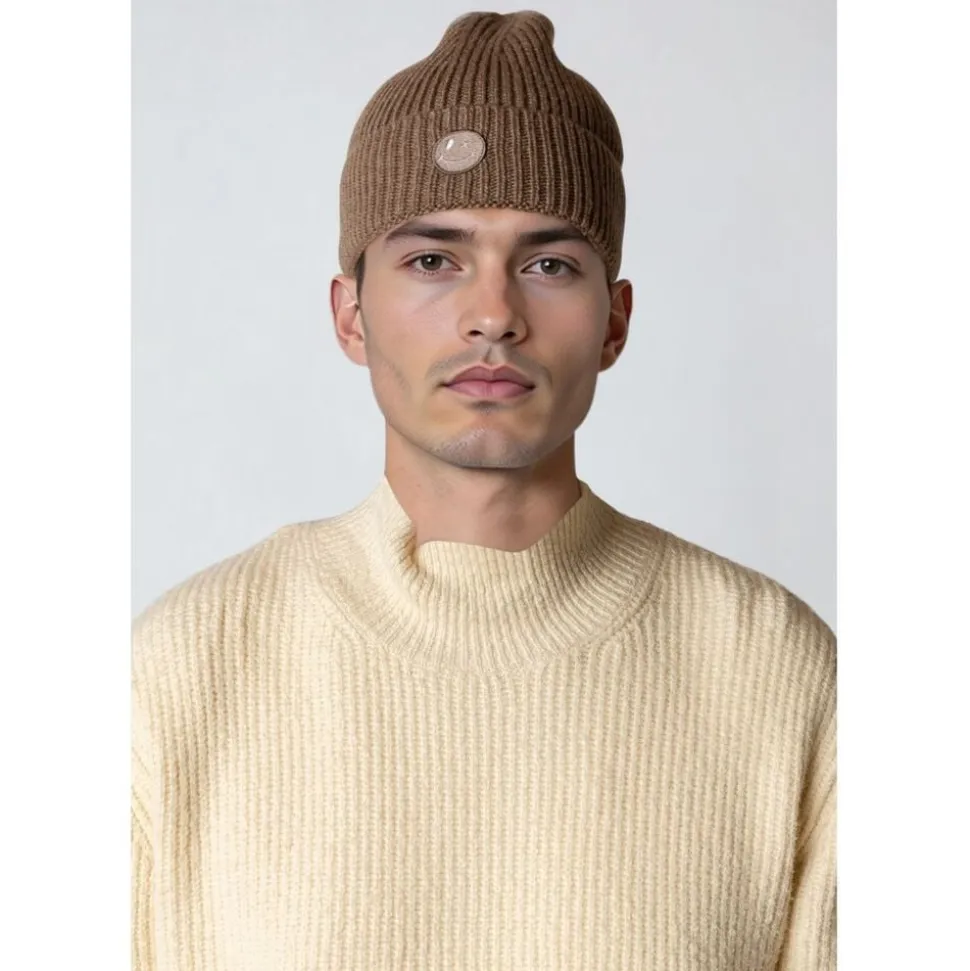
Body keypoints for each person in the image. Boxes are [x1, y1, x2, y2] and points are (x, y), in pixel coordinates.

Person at [132, 10, 835, 970]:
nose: (493, 314)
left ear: (614, 321)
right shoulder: (185, 669)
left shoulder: (777, 670)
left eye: (549, 264)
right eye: (434, 260)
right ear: (350, 314)